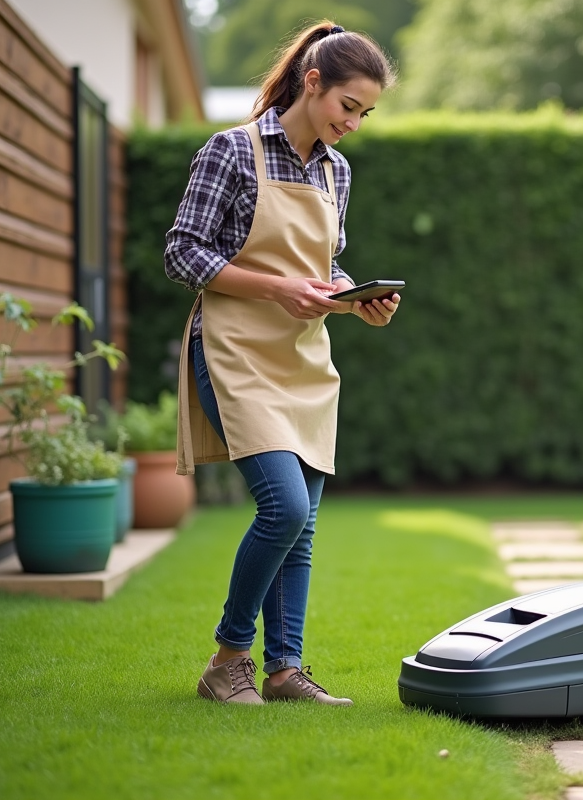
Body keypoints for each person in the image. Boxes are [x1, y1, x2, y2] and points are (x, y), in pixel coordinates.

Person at [164, 21, 398, 706]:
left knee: (303, 524)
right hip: (234, 352)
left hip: (303, 361)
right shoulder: (231, 152)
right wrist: (278, 288)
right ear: (313, 82)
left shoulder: (336, 170)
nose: (353, 124)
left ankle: (284, 670)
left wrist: (355, 300)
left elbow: (320, 269)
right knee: (284, 507)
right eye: (347, 107)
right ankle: (227, 658)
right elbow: (183, 253)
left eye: (365, 114)